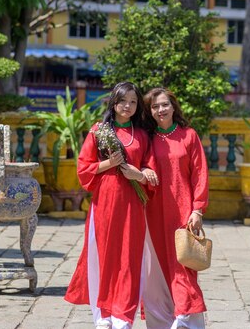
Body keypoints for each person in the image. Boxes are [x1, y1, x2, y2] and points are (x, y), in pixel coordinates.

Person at [65, 81, 159, 329]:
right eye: (122, 101)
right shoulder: (98, 131)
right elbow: (83, 169)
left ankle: (123, 315)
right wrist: (109, 163)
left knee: (130, 257)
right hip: (105, 203)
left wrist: (138, 175)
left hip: (133, 204)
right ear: (113, 102)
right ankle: (103, 315)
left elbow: (150, 167)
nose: (127, 106)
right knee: (104, 256)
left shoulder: (141, 134)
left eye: (133, 102)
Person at [142, 87, 209, 329]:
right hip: (154, 212)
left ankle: (185, 318)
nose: (161, 110)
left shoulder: (189, 136)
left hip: (183, 211)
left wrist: (197, 209)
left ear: (173, 107)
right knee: (157, 269)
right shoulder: (147, 139)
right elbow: (143, 170)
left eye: (165, 105)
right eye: (155, 106)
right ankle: (162, 320)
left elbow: (200, 174)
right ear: (149, 111)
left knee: (182, 266)